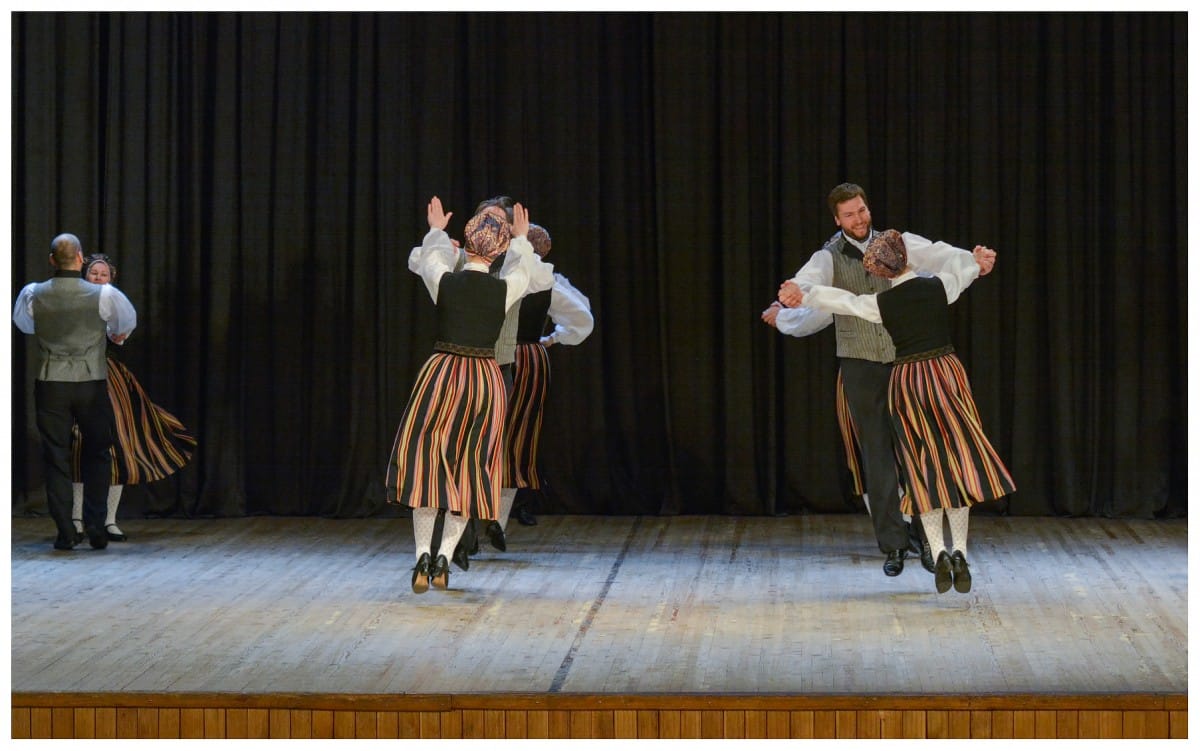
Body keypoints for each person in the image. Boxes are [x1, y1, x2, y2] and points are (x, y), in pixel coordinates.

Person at [776, 183, 996, 577]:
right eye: (849, 214)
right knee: (877, 455)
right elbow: (812, 286)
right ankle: (894, 544)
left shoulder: (897, 242)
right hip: (861, 365)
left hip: (905, 363)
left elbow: (942, 254)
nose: (858, 219)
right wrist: (795, 294)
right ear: (837, 219)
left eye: (861, 210)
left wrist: (974, 260)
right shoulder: (828, 256)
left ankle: (930, 544)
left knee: (918, 451)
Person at [387, 197, 553, 593]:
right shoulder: (505, 288)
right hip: (484, 378)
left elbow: (427, 261)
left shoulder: (445, 280)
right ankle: (445, 556)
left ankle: (422, 555)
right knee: (472, 466)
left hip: (442, 372)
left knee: (428, 461)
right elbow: (530, 274)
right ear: (498, 249)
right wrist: (521, 240)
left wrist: (436, 231)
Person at [12, 233, 137, 551]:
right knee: (98, 452)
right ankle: (96, 527)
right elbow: (125, 323)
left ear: (52, 260)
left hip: (51, 382)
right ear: (80, 259)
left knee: (56, 457)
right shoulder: (104, 294)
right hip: (90, 381)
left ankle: (66, 530)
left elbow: (26, 326)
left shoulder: (32, 292)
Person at [67, 254, 196, 543]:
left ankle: (108, 519)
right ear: (84, 276)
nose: (98, 278)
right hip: (76, 374)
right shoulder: (72, 300)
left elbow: (120, 333)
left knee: (119, 445)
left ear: (111, 279)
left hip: (108, 376)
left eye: (103, 274)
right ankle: (76, 518)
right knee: (78, 445)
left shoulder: (113, 303)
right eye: (93, 273)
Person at [501, 223, 594, 527]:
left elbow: (581, 317)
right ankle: (499, 514)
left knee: (505, 434)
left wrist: (552, 338)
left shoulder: (512, 275)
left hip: (510, 357)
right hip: (526, 357)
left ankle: (496, 512)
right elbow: (582, 316)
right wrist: (552, 339)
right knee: (518, 436)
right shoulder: (543, 279)